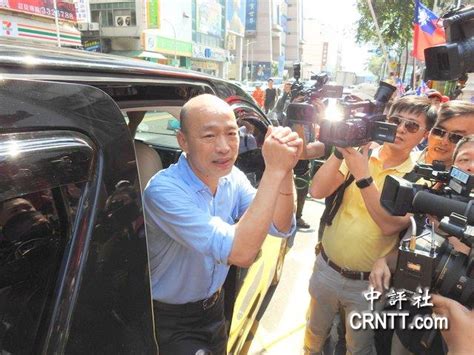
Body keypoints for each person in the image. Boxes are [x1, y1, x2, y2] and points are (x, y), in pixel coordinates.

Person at [143, 94, 302, 354]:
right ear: (183, 141)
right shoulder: (163, 191)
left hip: (215, 307)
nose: (224, 147)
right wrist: (272, 170)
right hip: (171, 319)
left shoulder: (232, 178)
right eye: (209, 136)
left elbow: (281, 225)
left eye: (231, 133)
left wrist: (285, 169)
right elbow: (240, 253)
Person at [304, 95, 436, 354]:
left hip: (368, 285)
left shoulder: (420, 179)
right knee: (314, 334)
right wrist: (341, 152)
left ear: (424, 135)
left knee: (359, 347)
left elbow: (390, 225)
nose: (400, 129)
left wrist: (364, 177)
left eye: (411, 126)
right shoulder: (362, 155)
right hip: (326, 268)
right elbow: (317, 190)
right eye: (396, 120)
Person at [369, 103, 474, 354]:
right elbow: (416, 248)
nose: (469, 167)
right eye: (465, 159)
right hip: (409, 327)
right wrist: (385, 261)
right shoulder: (433, 195)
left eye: (457, 136)